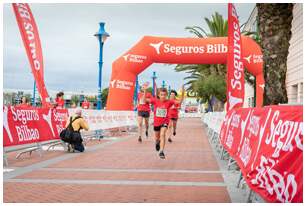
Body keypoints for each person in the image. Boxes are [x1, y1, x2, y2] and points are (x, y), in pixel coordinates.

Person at [142, 86, 184, 159]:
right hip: (156, 122)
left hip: (165, 121)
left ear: (166, 95)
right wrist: (145, 91)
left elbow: (180, 101)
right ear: (158, 95)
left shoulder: (169, 102)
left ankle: (161, 151)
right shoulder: (155, 100)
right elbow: (144, 100)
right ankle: (157, 142)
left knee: (163, 134)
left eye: (164, 95)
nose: (163, 96)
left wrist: (182, 93)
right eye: (161, 95)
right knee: (157, 137)